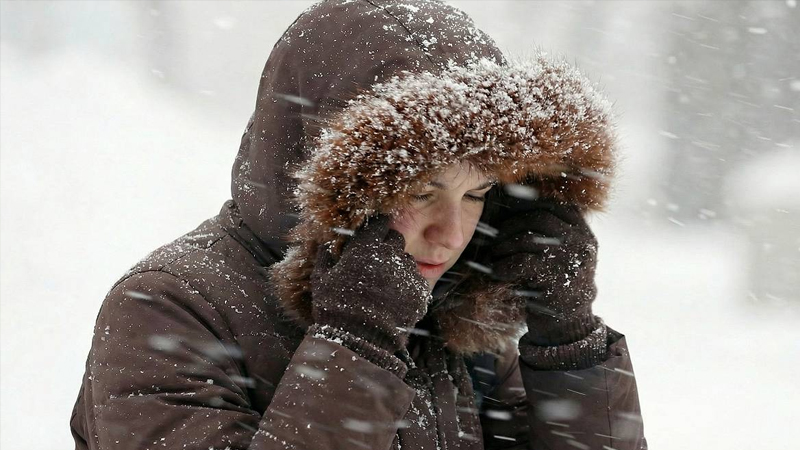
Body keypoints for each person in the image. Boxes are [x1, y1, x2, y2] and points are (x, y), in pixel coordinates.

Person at [70, 1, 647, 449]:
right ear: (318, 173)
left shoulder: (453, 316)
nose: (450, 233)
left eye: (476, 193)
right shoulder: (167, 309)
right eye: (421, 190)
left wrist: (567, 343)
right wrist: (356, 344)